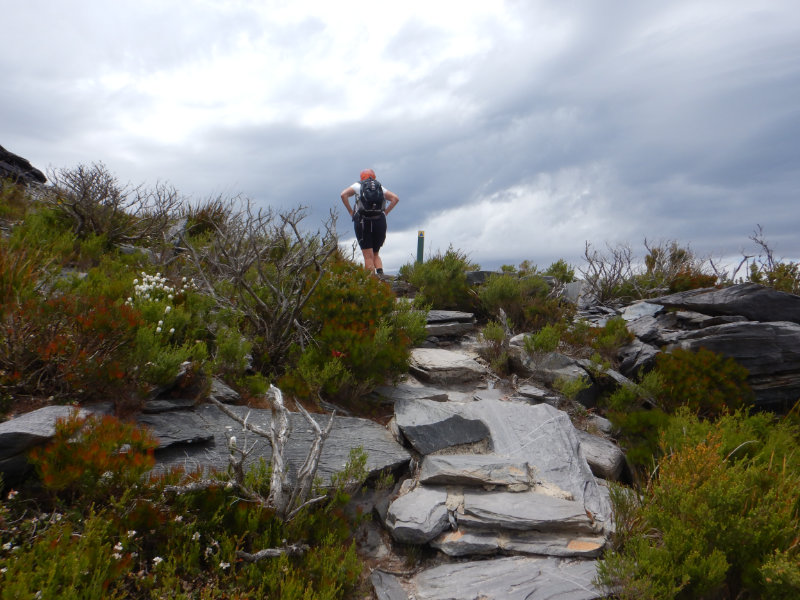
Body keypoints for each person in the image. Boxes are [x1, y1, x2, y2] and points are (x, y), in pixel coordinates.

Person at [340, 168, 399, 275]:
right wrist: (386, 212)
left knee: (368, 256)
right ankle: (381, 276)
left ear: (361, 177)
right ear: (374, 176)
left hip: (363, 222)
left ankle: (372, 282)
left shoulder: (358, 185)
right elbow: (395, 198)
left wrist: (350, 211)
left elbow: (343, 194)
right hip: (379, 221)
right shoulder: (379, 187)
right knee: (375, 253)